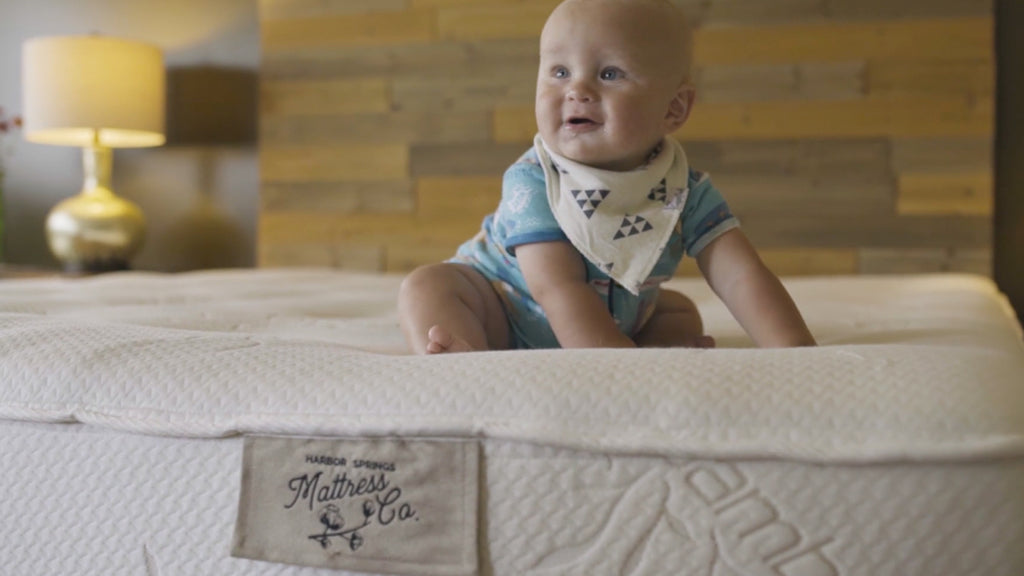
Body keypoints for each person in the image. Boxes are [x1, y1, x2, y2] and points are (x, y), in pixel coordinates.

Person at [398, 0, 816, 354]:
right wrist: (616, 368)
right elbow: (556, 288)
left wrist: (797, 354)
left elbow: (741, 275)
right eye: (559, 72)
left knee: (679, 313)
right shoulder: (536, 180)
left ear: (673, 109)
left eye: (610, 74)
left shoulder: (683, 189)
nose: (576, 90)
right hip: (505, 313)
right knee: (428, 287)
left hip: (613, 320)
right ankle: (466, 358)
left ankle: (644, 352)